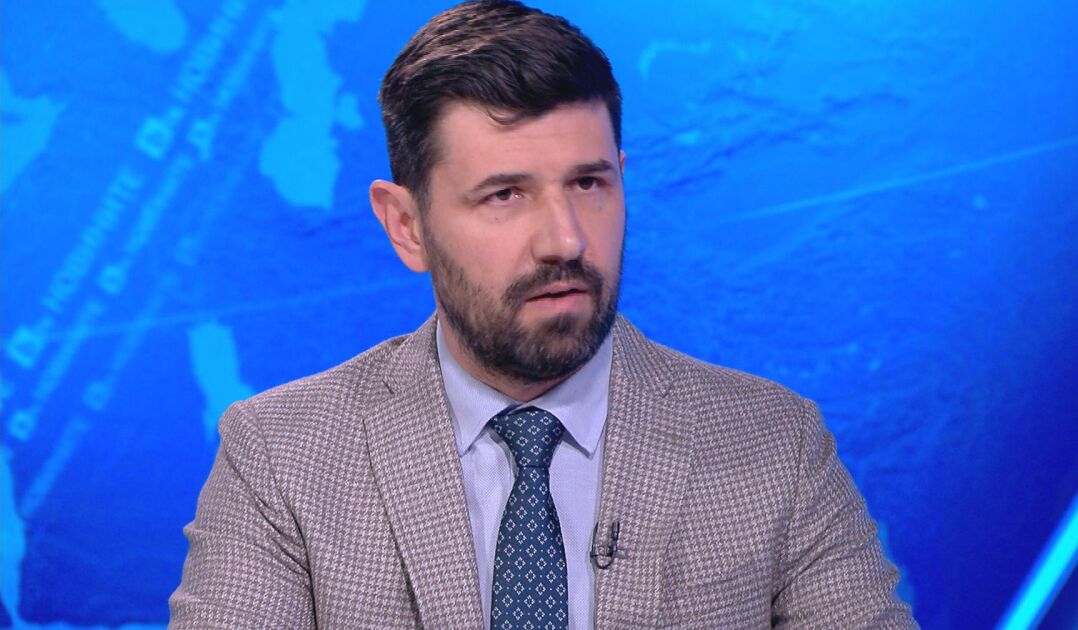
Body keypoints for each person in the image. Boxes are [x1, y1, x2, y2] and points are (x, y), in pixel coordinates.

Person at [168, 1, 917, 627]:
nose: (565, 240)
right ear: (407, 226)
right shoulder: (282, 457)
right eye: (505, 195)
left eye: (589, 184)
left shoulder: (776, 446)